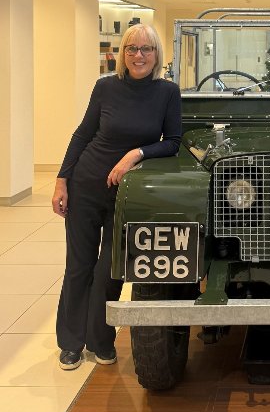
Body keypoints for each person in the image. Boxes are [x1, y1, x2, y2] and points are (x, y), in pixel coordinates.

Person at [52, 24, 182, 370]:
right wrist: (62, 179)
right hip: (87, 183)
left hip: (127, 194)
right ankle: (70, 342)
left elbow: (173, 141)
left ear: (156, 54)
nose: (138, 55)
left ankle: (100, 340)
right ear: (122, 54)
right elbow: (83, 134)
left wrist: (135, 154)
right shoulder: (105, 87)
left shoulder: (167, 92)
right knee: (78, 266)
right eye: (131, 49)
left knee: (110, 269)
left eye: (146, 49)